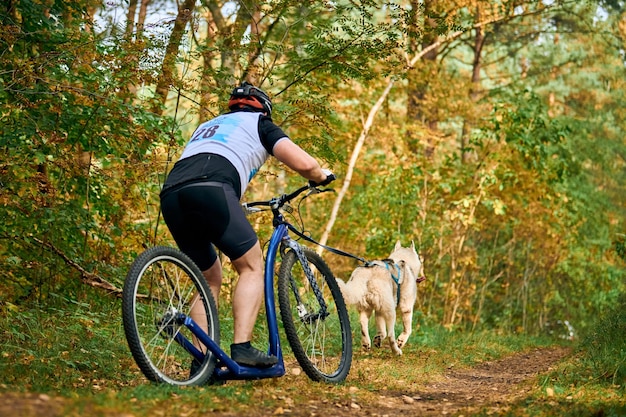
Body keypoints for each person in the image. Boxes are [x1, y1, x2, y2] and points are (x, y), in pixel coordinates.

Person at [159, 81, 334, 367]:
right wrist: (319, 175)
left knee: (208, 278)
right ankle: (242, 347)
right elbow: (303, 164)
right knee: (251, 265)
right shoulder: (260, 123)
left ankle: (202, 360)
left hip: (172, 195)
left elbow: (212, 159)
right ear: (263, 108)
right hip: (212, 189)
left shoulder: (207, 126)